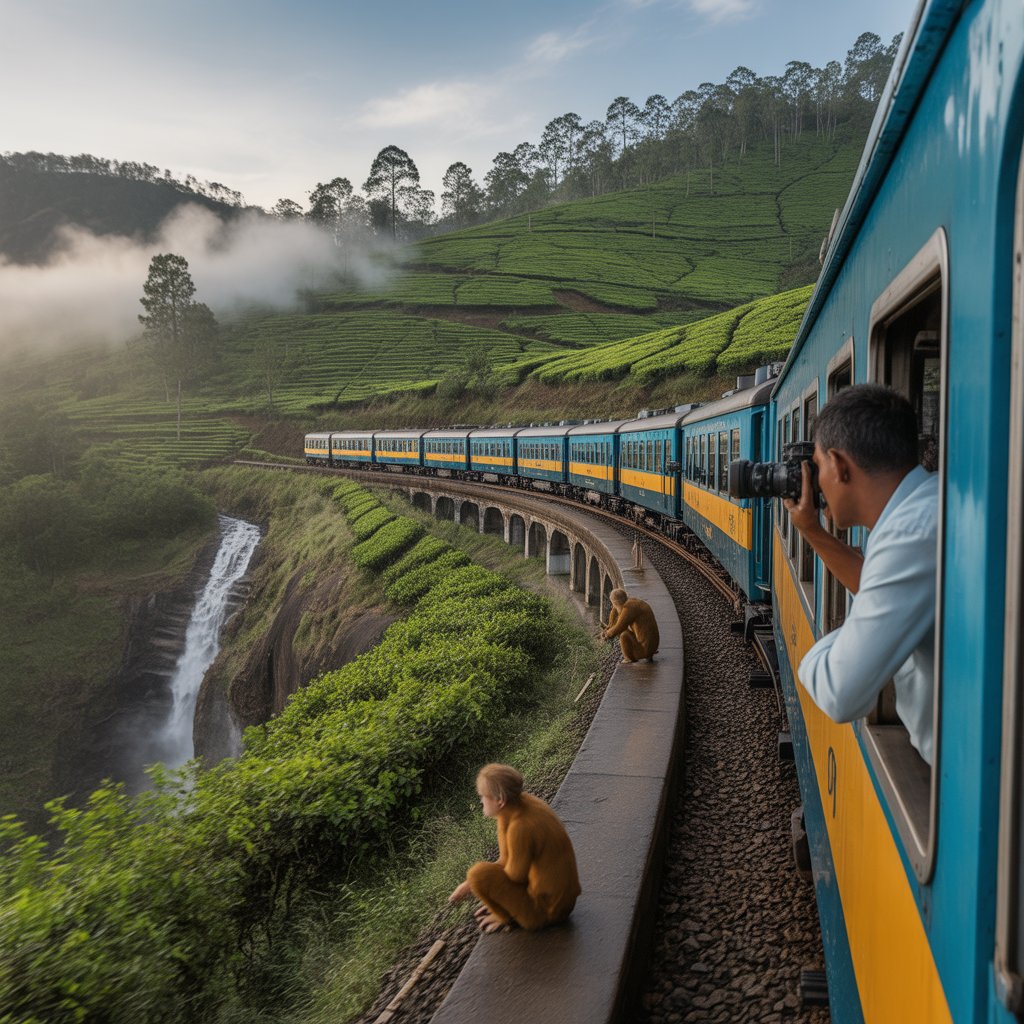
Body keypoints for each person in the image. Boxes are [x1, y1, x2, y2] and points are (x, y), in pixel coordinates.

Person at [784, 384, 938, 765]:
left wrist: (833, 644)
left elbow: (840, 692)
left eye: (817, 467)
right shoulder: (926, 508)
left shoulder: (912, 534)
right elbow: (885, 587)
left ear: (838, 464)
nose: (815, 483)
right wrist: (811, 530)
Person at [448, 763, 581, 933]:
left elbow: (515, 876)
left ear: (500, 800)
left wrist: (474, 884)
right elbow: (505, 860)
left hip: (547, 912)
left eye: (483, 796)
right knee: (478, 877)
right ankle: (514, 909)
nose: (481, 800)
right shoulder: (520, 806)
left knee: (477, 874)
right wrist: (468, 885)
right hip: (560, 901)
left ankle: (508, 917)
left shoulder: (521, 827)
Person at [601, 588, 659, 664]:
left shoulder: (629, 609)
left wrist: (606, 635)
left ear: (615, 603)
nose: (613, 607)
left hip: (645, 650)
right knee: (627, 631)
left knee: (624, 634)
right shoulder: (633, 602)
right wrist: (609, 626)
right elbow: (614, 610)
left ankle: (629, 658)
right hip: (653, 647)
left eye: (613, 604)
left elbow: (618, 628)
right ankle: (648, 654)